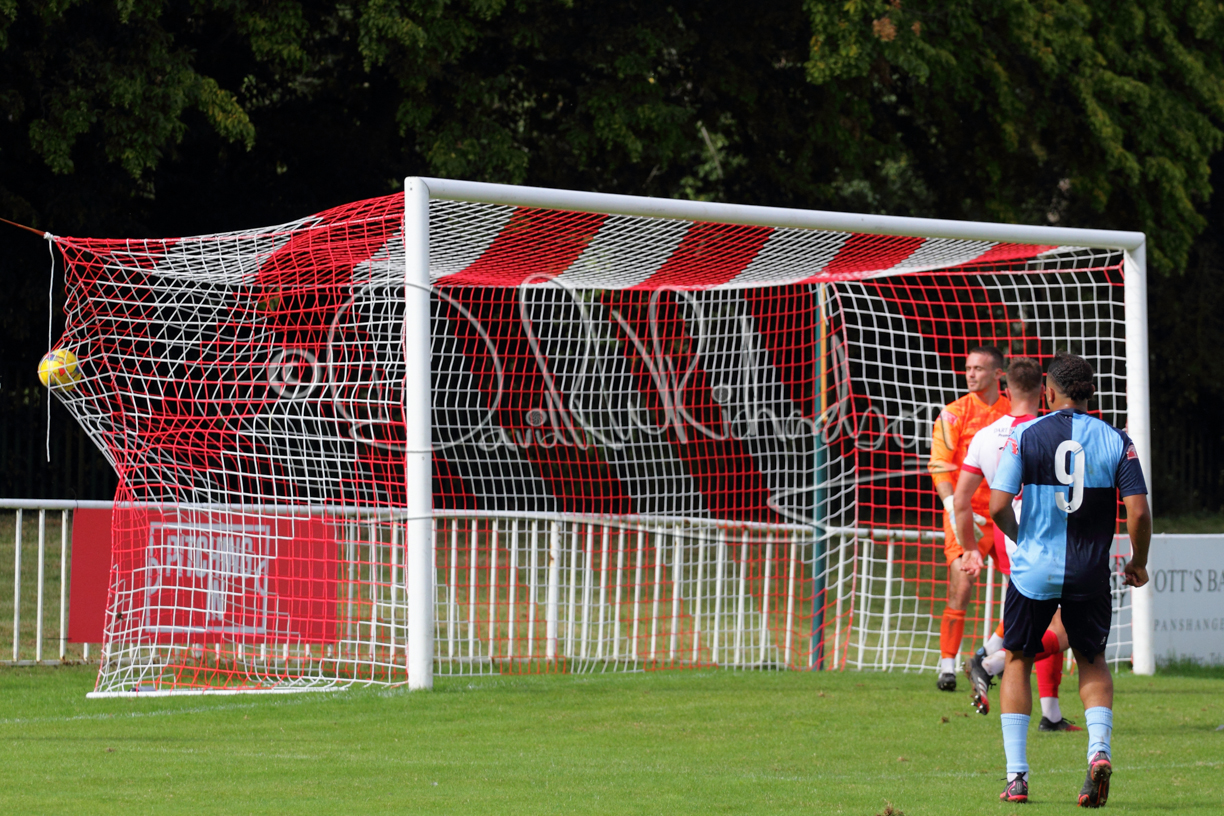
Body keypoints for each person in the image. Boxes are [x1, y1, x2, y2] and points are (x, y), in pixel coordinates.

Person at [988, 353, 1151, 806]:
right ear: (1090, 393)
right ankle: (1098, 751)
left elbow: (998, 505)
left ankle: (1017, 778)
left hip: (1034, 571)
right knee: (1092, 659)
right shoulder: (1117, 440)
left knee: (1017, 659)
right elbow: (1139, 512)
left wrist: (1024, 540)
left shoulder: (1024, 435)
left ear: (1049, 391)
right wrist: (1138, 562)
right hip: (1089, 573)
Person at [955, 357, 1079, 730]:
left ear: (1006, 389)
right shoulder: (1054, 432)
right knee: (1067, 623)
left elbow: (961, 500)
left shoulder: (985, 436)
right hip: (1047, 537)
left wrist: (970, 548)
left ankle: (1049, 712)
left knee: (1039, 618)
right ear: (1044, 390)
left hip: (1009, 536)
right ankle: (991, 664)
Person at [928, 345, 1011, 691]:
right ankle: (947, 667)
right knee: (961, 586)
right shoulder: (953, 414)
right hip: (965, 515)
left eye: (978, 368)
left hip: (1005, 513)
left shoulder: (1013, 412)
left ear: (998, 374)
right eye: (968, 368)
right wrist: (952, 507)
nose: (971, 374)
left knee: (1025, 589)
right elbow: (939, 466)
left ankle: (988, 653)